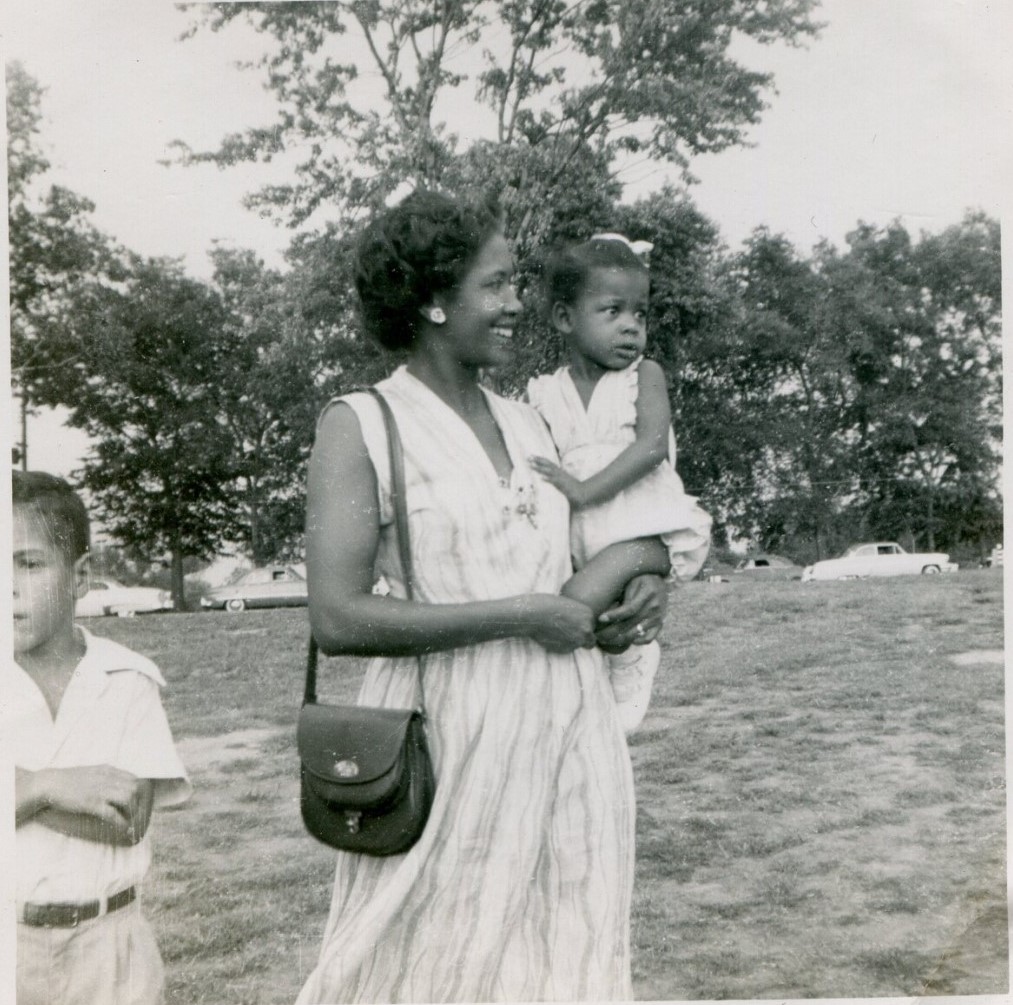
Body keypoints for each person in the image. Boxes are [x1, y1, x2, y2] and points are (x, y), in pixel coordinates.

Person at [296, 190, 669, 1004]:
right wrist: (521, 614)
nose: (516, 304)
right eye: (495, 286)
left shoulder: (532, 421)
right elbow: (337, 615)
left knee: (568, 956)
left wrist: (642, 575)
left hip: (572, 734)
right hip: (447, 744)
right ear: (432, 300)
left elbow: (594, 548)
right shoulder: (362, 424)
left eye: (514, 284)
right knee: (430, 966)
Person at [8, 471, 191, 1005]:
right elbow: (86, 804)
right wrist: (46, 786)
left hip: (108, 947)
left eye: (29, 563)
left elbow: (129, 821)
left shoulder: (126, 679)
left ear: (80, 575)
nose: (7, 586)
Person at [527, 234, 712, 732]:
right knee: (599, 620)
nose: (632, 325)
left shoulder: (642, 375)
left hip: (640, 532)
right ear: (566, 319)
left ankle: (633, 661)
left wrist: (586, 491)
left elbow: (652, 447)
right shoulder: (545, 393)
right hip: (584, 533)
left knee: (573, 604)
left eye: (641, 314)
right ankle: (621, 653)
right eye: (613, 311)